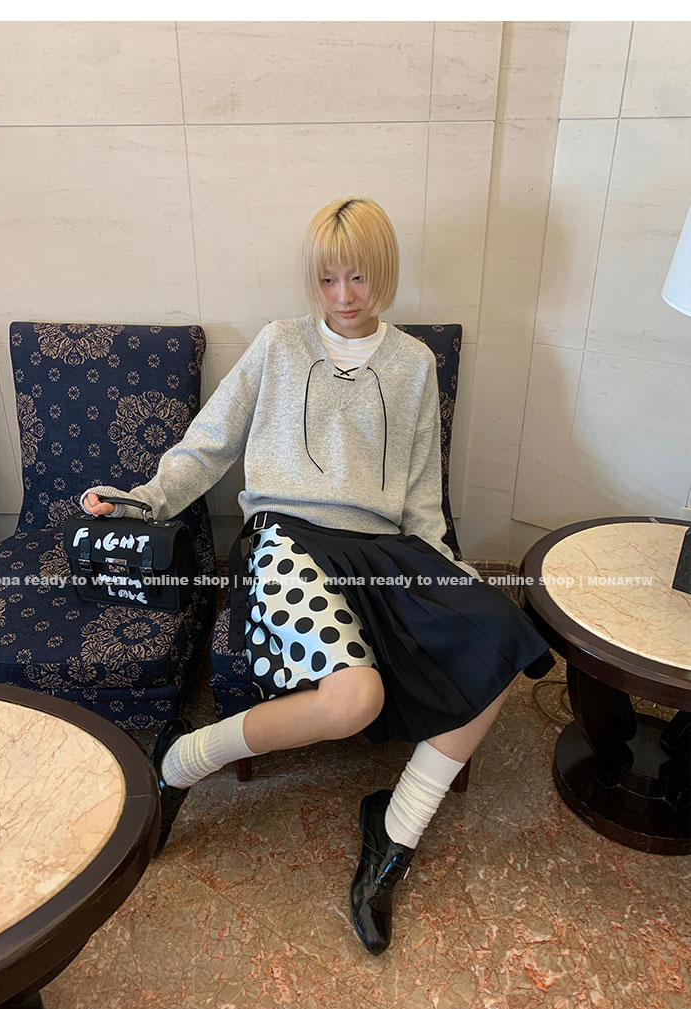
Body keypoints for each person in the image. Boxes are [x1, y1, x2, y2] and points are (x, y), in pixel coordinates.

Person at [81, 196, 555, 956]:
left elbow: (421, 494)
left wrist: (448, 579)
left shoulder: (414, 363)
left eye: (358, 277)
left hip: (383, 549)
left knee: (505, 637)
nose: (343, 295)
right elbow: (208, 445)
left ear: (383, 273)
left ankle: (394, 828)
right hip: (286, 539)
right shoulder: (278, 344)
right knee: (354, 699)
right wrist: (142, 501)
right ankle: (182, 760)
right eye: (328, 279)